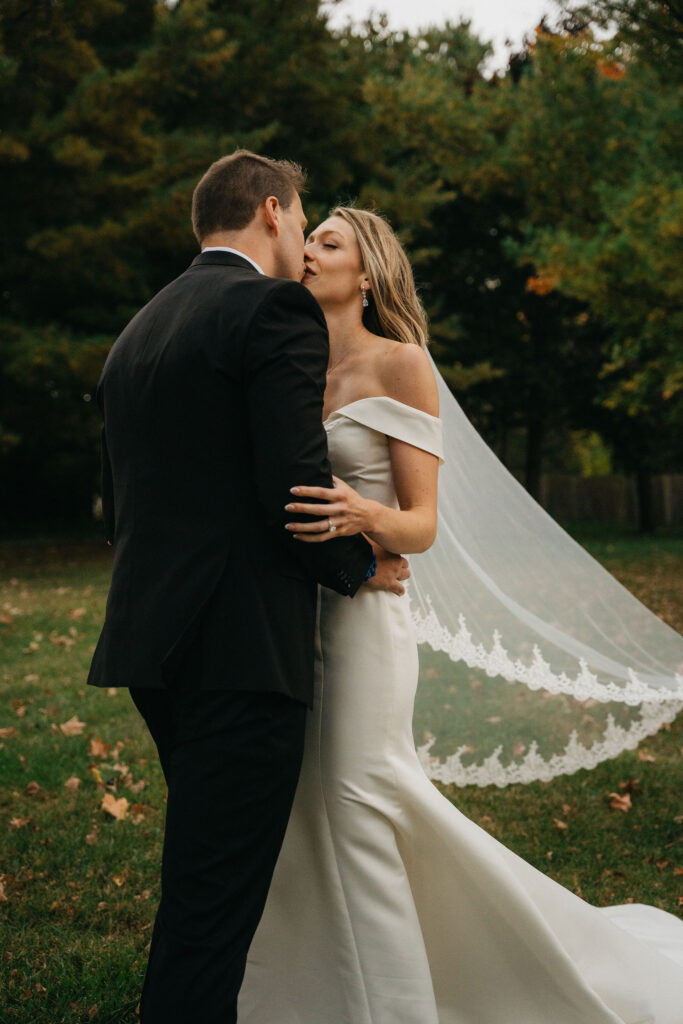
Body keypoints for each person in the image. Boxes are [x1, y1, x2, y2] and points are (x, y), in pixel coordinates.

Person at [237, 206, 683, 1023]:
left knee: (361, 796)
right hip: (292, 621)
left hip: (368, 628)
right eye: (309, 240)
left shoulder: (399, 363)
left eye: (326, 242)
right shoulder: (293, 364)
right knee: (307, 806)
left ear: (366, 273)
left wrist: (361, 518)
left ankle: (413, 1002)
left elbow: (423, 524)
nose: (307, 253)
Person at [86, 153, 410, 1024]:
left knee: (201, 884)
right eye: (302, 219)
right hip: (241, 649)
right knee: (209, 913)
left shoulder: (140, 329)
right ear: (271, 211)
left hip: (152, 647)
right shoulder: (272, 308)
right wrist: (359, 566)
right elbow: (293, 487)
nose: (303, 239)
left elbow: (123, 502)